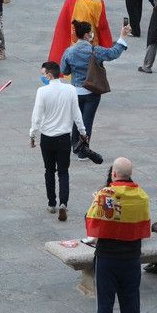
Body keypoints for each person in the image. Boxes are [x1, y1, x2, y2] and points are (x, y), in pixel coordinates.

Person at [82, 156, 150, 313]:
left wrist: (97, 201)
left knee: (105, 305)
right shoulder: (141, 196)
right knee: (131, 303)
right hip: (131, 258)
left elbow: (91, 223)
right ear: (130, 174)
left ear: (114, 174)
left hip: (107, 258)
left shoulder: (104, 195)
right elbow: (143, 227)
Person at [30, 61, 93, 220]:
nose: (42, 76)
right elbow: (77, 114)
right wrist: (83, 132)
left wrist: (32, 134)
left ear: (49, 75)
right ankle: (63, 203)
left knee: (49, 171)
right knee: (64, 172)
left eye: (43, 74)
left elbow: (37, 116)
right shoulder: (70, 89)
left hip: (47, 137)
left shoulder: (42, 91)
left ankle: (52, 203)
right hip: (64, 138)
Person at [62, 21, 130, 153]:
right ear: (88, 35)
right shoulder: (95, 50)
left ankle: (75, 147)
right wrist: (122, 36)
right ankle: (83, 150)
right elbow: (113, 53)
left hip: (75, 91)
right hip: (91, 91)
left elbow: (64, 71)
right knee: (87, 121)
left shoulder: (69, 51)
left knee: (77, 119)